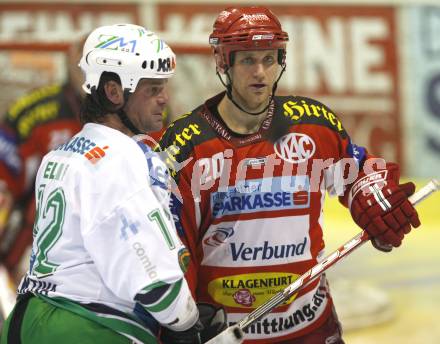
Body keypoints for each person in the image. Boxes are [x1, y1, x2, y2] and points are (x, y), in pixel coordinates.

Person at [157, 6, 421, 343]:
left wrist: (372, 195)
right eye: (248, 60)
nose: (261, 73)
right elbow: (172, 242)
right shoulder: (185, 146)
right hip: (226, 333)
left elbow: (356, 171)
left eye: (269, 59)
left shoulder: (312, 123)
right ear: (224, 63)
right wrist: (182, 321)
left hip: (310, 326)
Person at [0, 24, 230, 344]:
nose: (165, 99)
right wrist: (188, 322)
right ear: (113, 92)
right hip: (86, 328)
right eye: (152, 88)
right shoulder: (122, 158)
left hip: (25, 322)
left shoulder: (61, 155)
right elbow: (155, 282)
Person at [0, 36, 84, 284]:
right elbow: (3, 184)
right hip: (34, 243)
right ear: (70, 60)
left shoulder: (141, 113)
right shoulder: (32, 113)